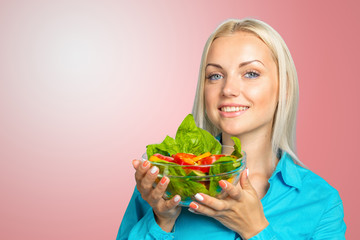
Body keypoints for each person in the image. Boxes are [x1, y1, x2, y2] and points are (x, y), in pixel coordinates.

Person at [116, 18, 346, 239]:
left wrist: (255, 229)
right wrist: (162, 219)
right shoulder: (162, 183)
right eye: (215, 75)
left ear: (284, 87)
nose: (228, 89)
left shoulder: (321, 201)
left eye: (251, 74)